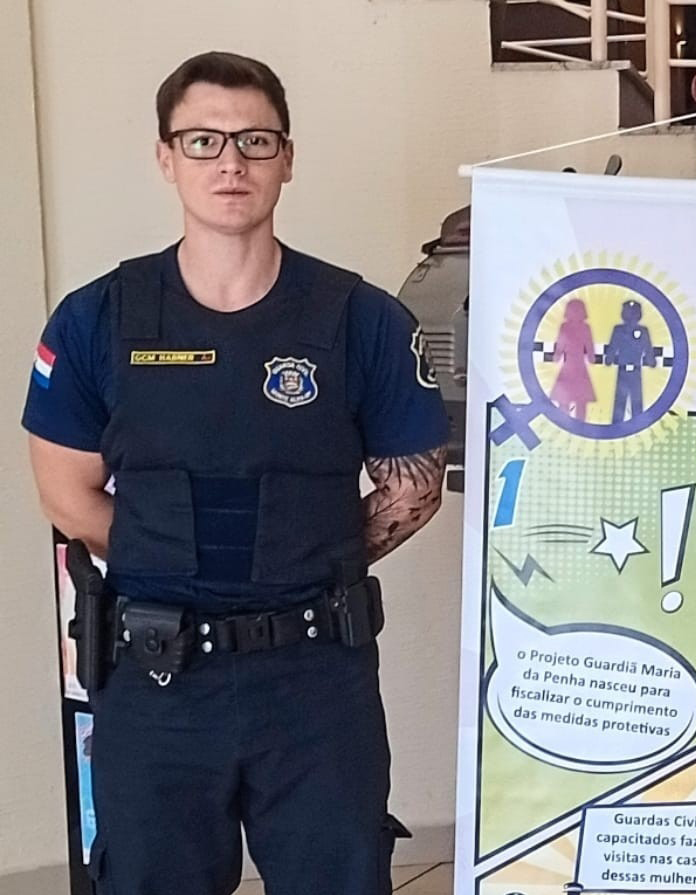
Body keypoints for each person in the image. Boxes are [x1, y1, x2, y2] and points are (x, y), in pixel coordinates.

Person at [22, 52, 449, 895]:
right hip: (157, 681)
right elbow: (66, 494)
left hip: (316, 681)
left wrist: (302, 558)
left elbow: (415, 487)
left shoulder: (361, 320)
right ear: (166, 156)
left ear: (287, 158)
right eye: (203, 140)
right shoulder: (97, 319)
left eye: (256, 140)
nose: (231, 162)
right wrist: (184, 563)